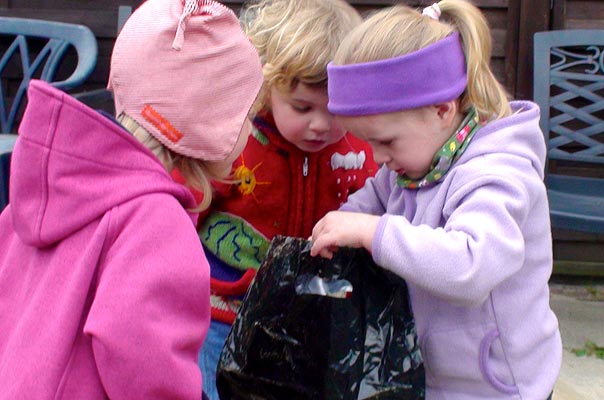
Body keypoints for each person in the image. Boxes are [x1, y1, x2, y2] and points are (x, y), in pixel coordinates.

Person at [0, 0, 263, 398]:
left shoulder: (49, 182)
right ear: (210, 123)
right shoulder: (156, 221)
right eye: (246, 114)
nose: (250, 127)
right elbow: (143, 356)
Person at [309, 1, 562, 399]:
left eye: (386, 141)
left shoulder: (498, 171)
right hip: (439, 371)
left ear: (442, 109)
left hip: (497, 383)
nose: (378, 159)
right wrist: (339, 225)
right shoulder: (415, 163)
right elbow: (370, 201)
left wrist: (374, 232)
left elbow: (470, 265)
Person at [196, 0, 378, 398]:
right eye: (302, 107)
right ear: (267, 84)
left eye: (336, 110)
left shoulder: (359, 149)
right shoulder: (235, 140)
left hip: (308, 311)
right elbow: (188, 205)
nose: (321, 125)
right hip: (222, 306)